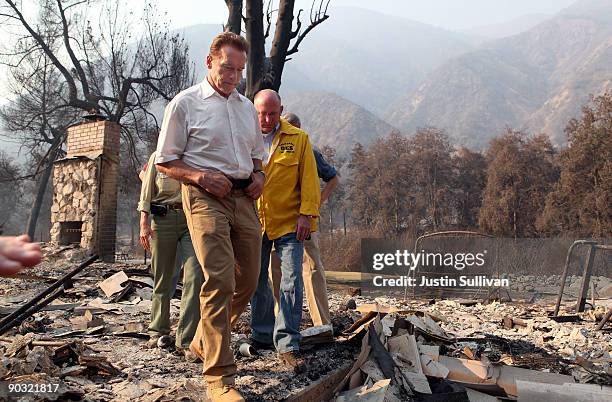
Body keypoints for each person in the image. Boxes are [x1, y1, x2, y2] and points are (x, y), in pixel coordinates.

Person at [154, 32, 265, 402]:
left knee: (247, 280)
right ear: (209, 62)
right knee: (218, 278)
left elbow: (257, 156)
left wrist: (260, 177)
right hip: (204, 197)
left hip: (243, 198)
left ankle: (203, 339)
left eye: (239, 70)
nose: (233, 76)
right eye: (226, 68)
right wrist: (199, 176)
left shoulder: (246, 107)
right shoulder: (184, 104)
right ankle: (219, 379)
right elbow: (165, 160)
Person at [249, 90, 320, 373]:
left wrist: (306, 215)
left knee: (291, 280)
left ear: (281, 111)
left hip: (290, 221)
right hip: (255, 221)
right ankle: (262, 334)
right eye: (261, 113)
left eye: (272, 113)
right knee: (256, 280)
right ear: (253, 112)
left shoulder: (298, 140)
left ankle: (288, 341)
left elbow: (310, 180)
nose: (266, 119)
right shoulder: (244, 138)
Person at [268, 112, 339, 328]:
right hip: (277, 220)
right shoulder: (268, 148)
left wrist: (316, 204)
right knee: (276, 270)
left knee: (312, 267)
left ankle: (321, 323)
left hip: (304, 219)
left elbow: (333, 178)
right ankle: (282, 321)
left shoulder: (308, 148)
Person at [138, 151, 203, 358]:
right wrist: (143, 225)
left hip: (191, 220)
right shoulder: (158, 156)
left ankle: (186, 338)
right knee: (163, 278)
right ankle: (158, 329)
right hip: (162, 220)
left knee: (195, 276)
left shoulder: (197, 155)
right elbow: (146, 192)